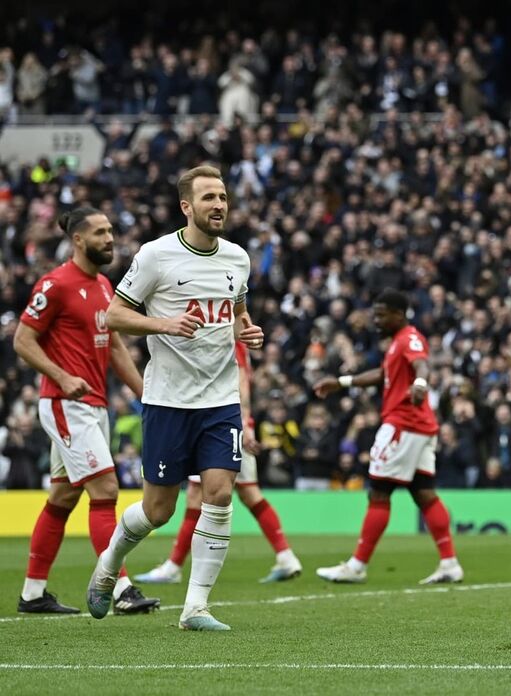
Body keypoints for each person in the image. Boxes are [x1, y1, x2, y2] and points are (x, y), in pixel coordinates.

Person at [87, 165, 264, 631]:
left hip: (220, 398)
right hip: (168, 400)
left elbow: (238, 309)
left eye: (222, 196)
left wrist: (247, 331)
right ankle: (108, 565)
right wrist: (164, 324)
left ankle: (195, 608)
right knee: (158, 510)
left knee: (220, 493)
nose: (219, 205)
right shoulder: (156, 256)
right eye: (208, 198)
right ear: (187, 206)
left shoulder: (237, 258)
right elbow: (113, 317)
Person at [14, 208, 160, 616]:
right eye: (100, 232)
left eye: (111, 230)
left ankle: (32, 594)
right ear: (78, 239)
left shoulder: (101, 285)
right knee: (106, 491)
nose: (110, 238)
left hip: (92, 405)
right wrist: (61, 377)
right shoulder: (55, 284)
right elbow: (23, 341)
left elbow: (114, 348)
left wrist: (145, 395)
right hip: (66, 404)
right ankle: (120, 588)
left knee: (62, 498)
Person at [312, 289, 463, 585]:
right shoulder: (397, 342)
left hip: (403, 425)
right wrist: (341, 382)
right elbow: (384, 374)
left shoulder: (408, 339)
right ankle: (449, 563)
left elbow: (422, 364)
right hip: (419, 427)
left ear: (399, 314)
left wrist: (420, 383)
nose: (376, 320)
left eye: (382, 314)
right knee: (425, 494)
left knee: (379, 492)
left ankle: (357, 566)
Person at [134, 340, 302, 585]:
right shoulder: (227, 331)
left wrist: (244, 421)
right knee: (250, 494)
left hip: (220, 423)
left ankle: (173, 567)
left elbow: (241, 377)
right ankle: (286, 557)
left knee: (197, 496)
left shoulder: (224, 334)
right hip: (228, 421)